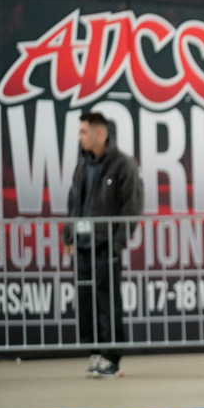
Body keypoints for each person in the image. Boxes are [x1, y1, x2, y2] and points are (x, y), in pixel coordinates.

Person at [62, 111, 143, 378]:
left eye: (84, 132)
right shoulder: (83, 165)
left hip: (106, 246)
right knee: (85, 301)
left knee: (108, 300)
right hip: (83, 245)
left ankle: (112, 356)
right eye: (80, 132)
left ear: (100, 133)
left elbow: (132, 207)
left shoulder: (123, 164)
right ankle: (95, 352)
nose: (80, 137)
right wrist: (69, 235)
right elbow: (75, 202)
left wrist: (117, 244)